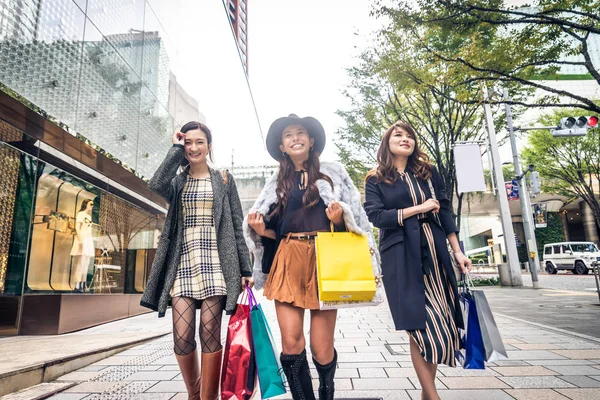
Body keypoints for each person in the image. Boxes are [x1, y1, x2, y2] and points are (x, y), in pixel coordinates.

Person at [244, 114, 377, 400]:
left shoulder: (334, 172)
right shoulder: (276, 182)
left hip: (325, 258)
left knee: (321, 347)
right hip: (288, 258)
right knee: (291, 344)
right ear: (282, 146)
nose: (295, 138)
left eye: (301, 132)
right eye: (288, 135)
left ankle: (325, 391)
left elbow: (358, 222)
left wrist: (341, 219)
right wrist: (260, 229)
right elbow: (277, 231)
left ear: (312, 139)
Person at [140, 121, 254, 400]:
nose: (193, 147)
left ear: (209, 146)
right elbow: (156, 184)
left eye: (199, 142)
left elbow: (237, 225)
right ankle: (194, 393)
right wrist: (175, 149)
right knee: (182, 335)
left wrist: (244, 268)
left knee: (210, 331)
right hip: (184, 263)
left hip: (216, 262)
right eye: (188, 142)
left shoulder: (224, 180)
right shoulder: (177, 182)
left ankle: (207, 398)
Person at [364, 121, 471, 400]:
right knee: (418, 324)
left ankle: (427, 395)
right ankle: (433, 397)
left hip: (435, 251)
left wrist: (457, 251)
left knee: (440, 322)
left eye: (410, 135)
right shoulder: (375, 179)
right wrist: (419, 208)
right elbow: (377, 217)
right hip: (399, 254)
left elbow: (445, 212)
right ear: (386, 142)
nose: (405, 139)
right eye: (398, 135)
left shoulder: (428, 173)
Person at [70, 198, 95, 292]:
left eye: (92, 204)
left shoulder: (89, 217)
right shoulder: (80, 214)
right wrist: (81, 241)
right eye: (90, 204)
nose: (92, 206)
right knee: (80, 263)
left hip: (88, 239)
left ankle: (83, 284)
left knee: (86, 263)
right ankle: (77, 285)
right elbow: (77, 228)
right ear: (85, 204)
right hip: (82, 239)